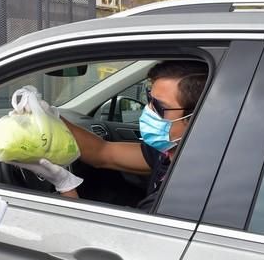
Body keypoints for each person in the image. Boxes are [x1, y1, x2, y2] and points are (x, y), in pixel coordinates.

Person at [17, 61, 207, 210]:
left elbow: (112, 245)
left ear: (195, 116)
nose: (147, 110)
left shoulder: (187, 192)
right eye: (148, 99)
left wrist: (65, 185)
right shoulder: (170, 151)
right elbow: (104, 153)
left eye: (158, 106)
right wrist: (52, 117)